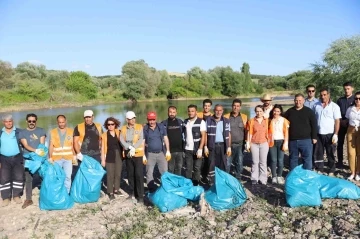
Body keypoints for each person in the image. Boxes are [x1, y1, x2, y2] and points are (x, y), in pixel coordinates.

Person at [19, 113, 46, 209]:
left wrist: (40, 154)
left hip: (39, 158)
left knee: (43, 176)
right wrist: (35, 151)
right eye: (29, 121)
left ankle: (45, 195)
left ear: (36, 121)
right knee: (28, 179)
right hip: (28, 158)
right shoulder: (22, 133)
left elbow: (42, 144)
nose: (31, 123)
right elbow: (25, 145)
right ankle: (29, 199)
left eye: (33, 121)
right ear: (26, 121)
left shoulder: (41, 131)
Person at [284, 94, 317, 171]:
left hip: (306, 140)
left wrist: (314, 137)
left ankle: (307, 175)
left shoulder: (309, 112)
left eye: (300, 100)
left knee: (307, 159)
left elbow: (314, 125)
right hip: (292, 140)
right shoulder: (289, 112)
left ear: (303, 101)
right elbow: (283, 124)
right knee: (293, 159)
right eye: (296, 100)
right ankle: (293, 176)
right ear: (294, 101)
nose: (298, 102)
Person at [313, 88, 341, 175]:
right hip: (318, 133)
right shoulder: (316, 105)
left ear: (328, 95)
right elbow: (313, 119)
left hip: (330, 134)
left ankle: (331, 169)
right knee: (318, 152)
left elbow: (337, 121)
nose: (323, 97)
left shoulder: (334, 106)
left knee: (330, 152)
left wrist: (336, 134)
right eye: (321, 95)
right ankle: (319, 168)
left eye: (324, 95)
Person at [120, 111, 145, 203]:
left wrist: (134, 147)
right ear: (127, 120)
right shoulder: (123, 128)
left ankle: (140, 195)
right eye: (131, 119)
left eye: (134, 118)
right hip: (128, 154)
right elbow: (121, 139)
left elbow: (141, 138)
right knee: (130, 174)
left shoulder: (139, 127)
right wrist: (128, 147)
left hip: (137, 154)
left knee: (138, 174)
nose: (133, 120)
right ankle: (132, 193)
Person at [143, 111, 171, 192]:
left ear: (156, 119)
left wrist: (168, 150)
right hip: (150, 154)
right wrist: (143, 155)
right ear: (147, 119)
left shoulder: (161, 126)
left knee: (164, 171)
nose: (151, 122)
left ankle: (165, 187)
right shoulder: (145, 128)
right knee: (149, 172)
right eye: (150, 120)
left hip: (161, 153)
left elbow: (165, 138)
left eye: (153, 119)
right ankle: (151, 188)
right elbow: (143, 141)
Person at [0, 115, 24, 207]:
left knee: (18, 176)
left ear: (12, 121)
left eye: (10, 121)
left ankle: (16, 195)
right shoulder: (0, 133)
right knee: (4, 177)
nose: (8, 123)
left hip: (17, 157)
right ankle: (6, 198)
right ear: (3, 122)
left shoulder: (18, 132)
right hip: (4, 158)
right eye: (6, 121)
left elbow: (25, 143)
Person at [48, 115, 76, 193]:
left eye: (63, 122)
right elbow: (51, 146)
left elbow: (73, 145)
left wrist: (74, 155)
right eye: (60, 122)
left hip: (68, 158)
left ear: (65, 121)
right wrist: (50, 157)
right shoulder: (52, 132)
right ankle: (58, 192)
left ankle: (67, 192)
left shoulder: (71, 131)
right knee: (57, 176)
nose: (61, 124)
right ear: (57, 122)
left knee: (68, 176)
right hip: (56, 158)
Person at [204, 104, 231, 183]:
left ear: (222, 111)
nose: (218, 112)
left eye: (220, 110)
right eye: (216, 110)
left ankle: (222, 181)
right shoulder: (209, 120)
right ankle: (211, 181)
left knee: (223, 163)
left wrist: (229, 146)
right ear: (214, 111)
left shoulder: (226, 121)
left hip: (223, 145)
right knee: (211, 163)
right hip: (212, 145)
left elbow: (229, 134)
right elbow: (205, 133)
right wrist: (205, 146)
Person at [223, 99, 247, 180]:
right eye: (234, 106)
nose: (235, 108)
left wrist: (247, 142)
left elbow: (247, 130)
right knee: (227, 163)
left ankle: (238, 178)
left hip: (240, 144)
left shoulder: (244, 117)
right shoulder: (226, 117)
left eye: (237, 106)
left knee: (239, 163)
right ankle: (227, 179)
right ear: (232, 106)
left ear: (240, 107)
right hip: (228, 145)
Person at [246, 105, 269, 185]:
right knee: (255, 162)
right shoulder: (252, 121)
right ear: (255, 112)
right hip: (254, 143)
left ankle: (263, 179)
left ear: (263, 112)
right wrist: (248, 142)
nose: (259, 113)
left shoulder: (267, 121)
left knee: (263, 162)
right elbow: (249, 133)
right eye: (257, 111)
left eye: (260, 111)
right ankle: (254, 178)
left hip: (264, 143)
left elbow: (269, 132)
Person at [183, 104, 206, 185]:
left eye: (192, 111)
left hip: (196, 149)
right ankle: (188, 184)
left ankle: (196, 184)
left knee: (197, 167)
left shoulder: (201, 122)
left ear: (196, 112)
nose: (190, 113)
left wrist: (200, 149)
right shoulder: (185, 122)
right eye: (189, 111)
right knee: (188, 168)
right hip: (187, 149)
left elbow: (203, 135)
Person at [101, 117, 123, 200]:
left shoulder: (119, 132)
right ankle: (110, 192)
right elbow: (102, 148)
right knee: (110, 174)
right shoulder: (104, 135)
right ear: (106, 126)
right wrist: (103, 160)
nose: (110, 126)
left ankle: (116, 189)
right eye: (108, 124)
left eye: (112, 124)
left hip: (119, 155)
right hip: (109, 155)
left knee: (118, 173)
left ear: (115, 125)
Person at [268, 105, 289, 184]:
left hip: (281, 141)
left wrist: (285, 142)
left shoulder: (284, 120)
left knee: (280, 160)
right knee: (273, 160)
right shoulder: (270, 120)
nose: (276, 113)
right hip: (272, 142)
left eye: (277, 111)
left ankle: (279, 176)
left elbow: (286, 132)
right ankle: (273, 176)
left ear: (280, 112)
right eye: (274, 111)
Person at [161, 106, 184, 176]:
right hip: (169, 151)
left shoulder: (180, 122)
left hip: (180, 150)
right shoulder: (164, 123)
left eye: (173, 112)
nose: (172, 114)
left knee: (179, 168)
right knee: (170, 168)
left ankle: (177, 183)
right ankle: (171, 184)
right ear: (168, 112)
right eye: (170, 112)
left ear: (176, 113)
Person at [336, 82, 355, 168]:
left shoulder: (356, 99)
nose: (346, 91)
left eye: (348, 89)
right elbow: (337, 112)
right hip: (342, 124)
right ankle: (340, 162)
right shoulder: (340, 100)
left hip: (352, 125)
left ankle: (353, 163)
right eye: (345, 89)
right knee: (340, 143)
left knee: (352, 144)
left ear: (352, 89)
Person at [345, 91, 360, 181]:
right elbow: (346, 119)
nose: (358, 100)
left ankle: (358, 172)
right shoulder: (350, 109)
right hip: (351, 130)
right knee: (351, 152)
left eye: (359, 98)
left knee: (359, 152)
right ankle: (352, 172)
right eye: (356, 98)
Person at [198, 99, 213, 184]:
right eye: (205, 105)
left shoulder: (213, 117)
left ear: (210, 107)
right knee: (200, 160)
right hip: (199, 141)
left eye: (208, 106)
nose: (206, 107)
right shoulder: (198, 115)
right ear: (203, 106)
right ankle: (201, 176)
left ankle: (208, 175)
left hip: (209, 141)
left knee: (209, 160)